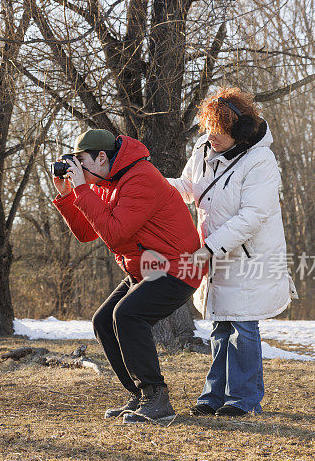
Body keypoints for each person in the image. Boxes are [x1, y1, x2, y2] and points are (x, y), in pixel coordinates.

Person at [52, 129, 205, 423]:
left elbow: (115, 232)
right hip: (146, 269)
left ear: (101, 157)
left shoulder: (140, 177)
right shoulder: (102, 182)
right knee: (103, 321)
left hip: (178, 267)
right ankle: (142, 396)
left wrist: (82, 189)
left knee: (127, 315)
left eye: (80, 160)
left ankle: (157, 398)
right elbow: (86, 233)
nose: (77, 168)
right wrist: (68, 196)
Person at [168, 87, 298, 417]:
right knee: (220, 324)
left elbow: (252, 216)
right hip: (214, 254)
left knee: (243, 325)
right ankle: (214, 396)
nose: (211, 137)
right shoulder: (202, 148)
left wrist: (209, 248)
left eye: (219, 132)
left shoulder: (261, 161)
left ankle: (243, 399)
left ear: (239, 132)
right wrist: (148, 184)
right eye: (208, 129)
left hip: (249, 256)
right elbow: (186, 189)